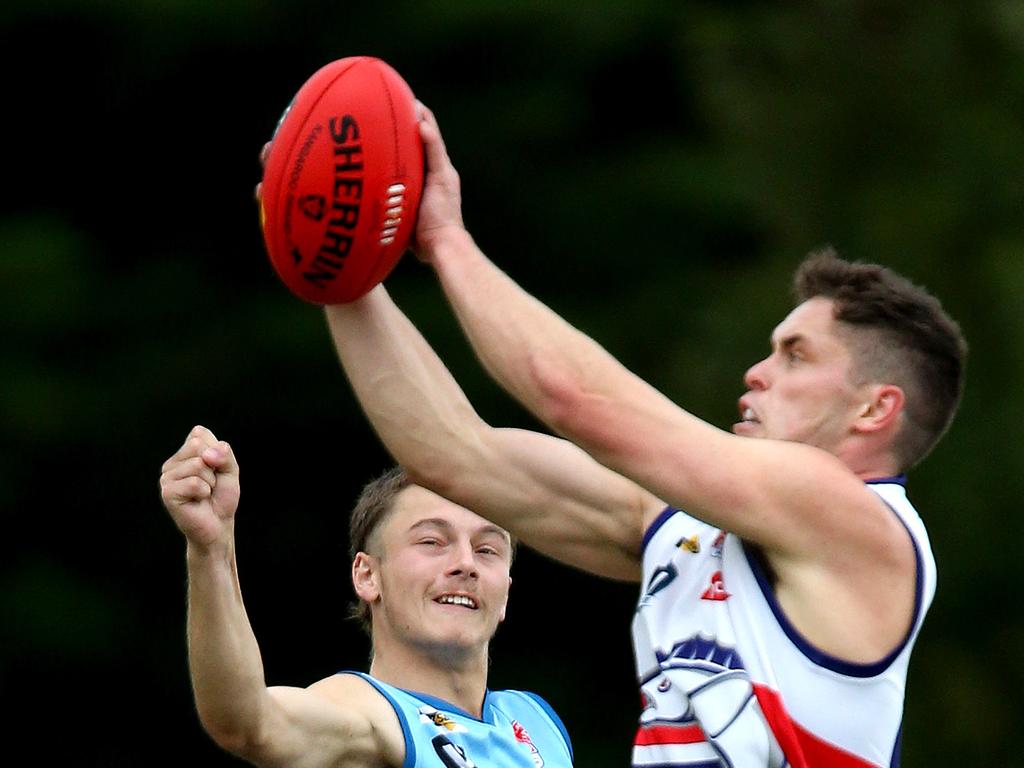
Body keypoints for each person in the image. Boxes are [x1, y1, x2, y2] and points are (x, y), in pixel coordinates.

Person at [319, 103, 967, 767]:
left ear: (873, 410)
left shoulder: (859, 524)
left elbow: (575, 397)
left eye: (795, 355)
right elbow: (449, 455)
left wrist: (447, 241)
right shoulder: (682, 523)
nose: (757, 371)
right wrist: (337, 270)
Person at [159, 425, 574, 768]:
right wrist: (211, 548)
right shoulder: (370, 714)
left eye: (487, 550)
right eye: (432, 541)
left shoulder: (536, 722)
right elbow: (250, 723)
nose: (465, 563)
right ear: (367, 575)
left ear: (505, 593)